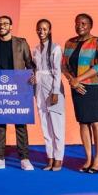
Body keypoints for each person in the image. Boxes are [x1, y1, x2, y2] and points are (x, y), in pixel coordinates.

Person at [0, 15, 34, 171]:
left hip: (18, 88)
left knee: (20, 124)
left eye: (5, 23)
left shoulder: (22, 43)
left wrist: (32, 75)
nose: (2, 26)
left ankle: (24, 158)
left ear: (11, 26)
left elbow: (30, 64)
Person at [61, 13, 98, 174]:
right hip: (77, 87)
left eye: (84, 23)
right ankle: (88, 158)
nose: (80, 26)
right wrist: (72, 80)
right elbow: (64, 66)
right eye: (77, 23)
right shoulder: (69, 43)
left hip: (94, 86)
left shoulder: (97, 41)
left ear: (90, 25)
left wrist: (78, 79)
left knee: (96, 122)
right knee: (83, 122)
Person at [30, 19, 65, 171]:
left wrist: (55, 92)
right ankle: (49, 157)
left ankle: (58, 158)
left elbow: (57, 72)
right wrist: (32, 78)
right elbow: (36, 70)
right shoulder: (35, 49)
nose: (41, 32)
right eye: (39, 29)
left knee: (57, 124)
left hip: (52, 87)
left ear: (50, 30)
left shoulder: (56, 48)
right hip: (39, 88)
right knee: (45, 124)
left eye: (45, 29)